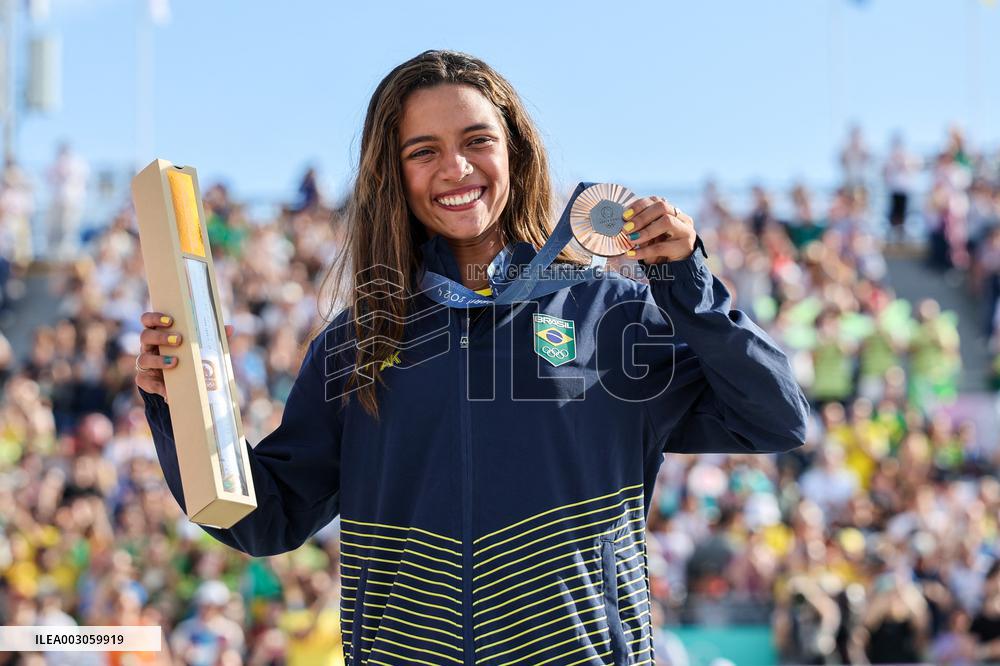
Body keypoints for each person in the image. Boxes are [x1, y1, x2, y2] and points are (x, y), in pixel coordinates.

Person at [135, 50, 809, 666]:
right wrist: (179, 405)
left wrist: (686, 282)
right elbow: (267, 520)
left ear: (514, 149)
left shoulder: (610, 316)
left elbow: (775, 417)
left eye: (476, 141)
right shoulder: (356, 345)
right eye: (423, 151)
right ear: (392, 174)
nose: (455, 169)